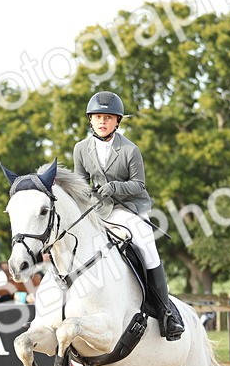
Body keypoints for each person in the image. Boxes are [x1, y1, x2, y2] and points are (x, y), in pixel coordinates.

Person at [72, 90, 184, 341]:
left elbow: (138, 185)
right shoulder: (80, 149)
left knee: (146, 244)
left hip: (129, 208)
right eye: (98, 117)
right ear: (90, 120)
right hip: (99, 209)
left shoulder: (129, 149)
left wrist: (114, 187)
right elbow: (80, 184)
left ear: (117, 122)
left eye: (108, 118)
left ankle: (166, 313)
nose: (102, 122)